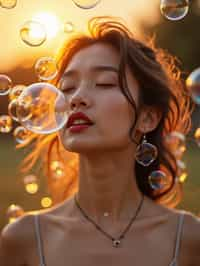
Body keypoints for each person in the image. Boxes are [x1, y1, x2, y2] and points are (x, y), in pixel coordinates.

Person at [0, 16, 200, 266]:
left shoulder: (190, 239)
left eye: (104, 83)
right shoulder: (22, 239)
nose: (76, 99)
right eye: (68, 87)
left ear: (147, 118)